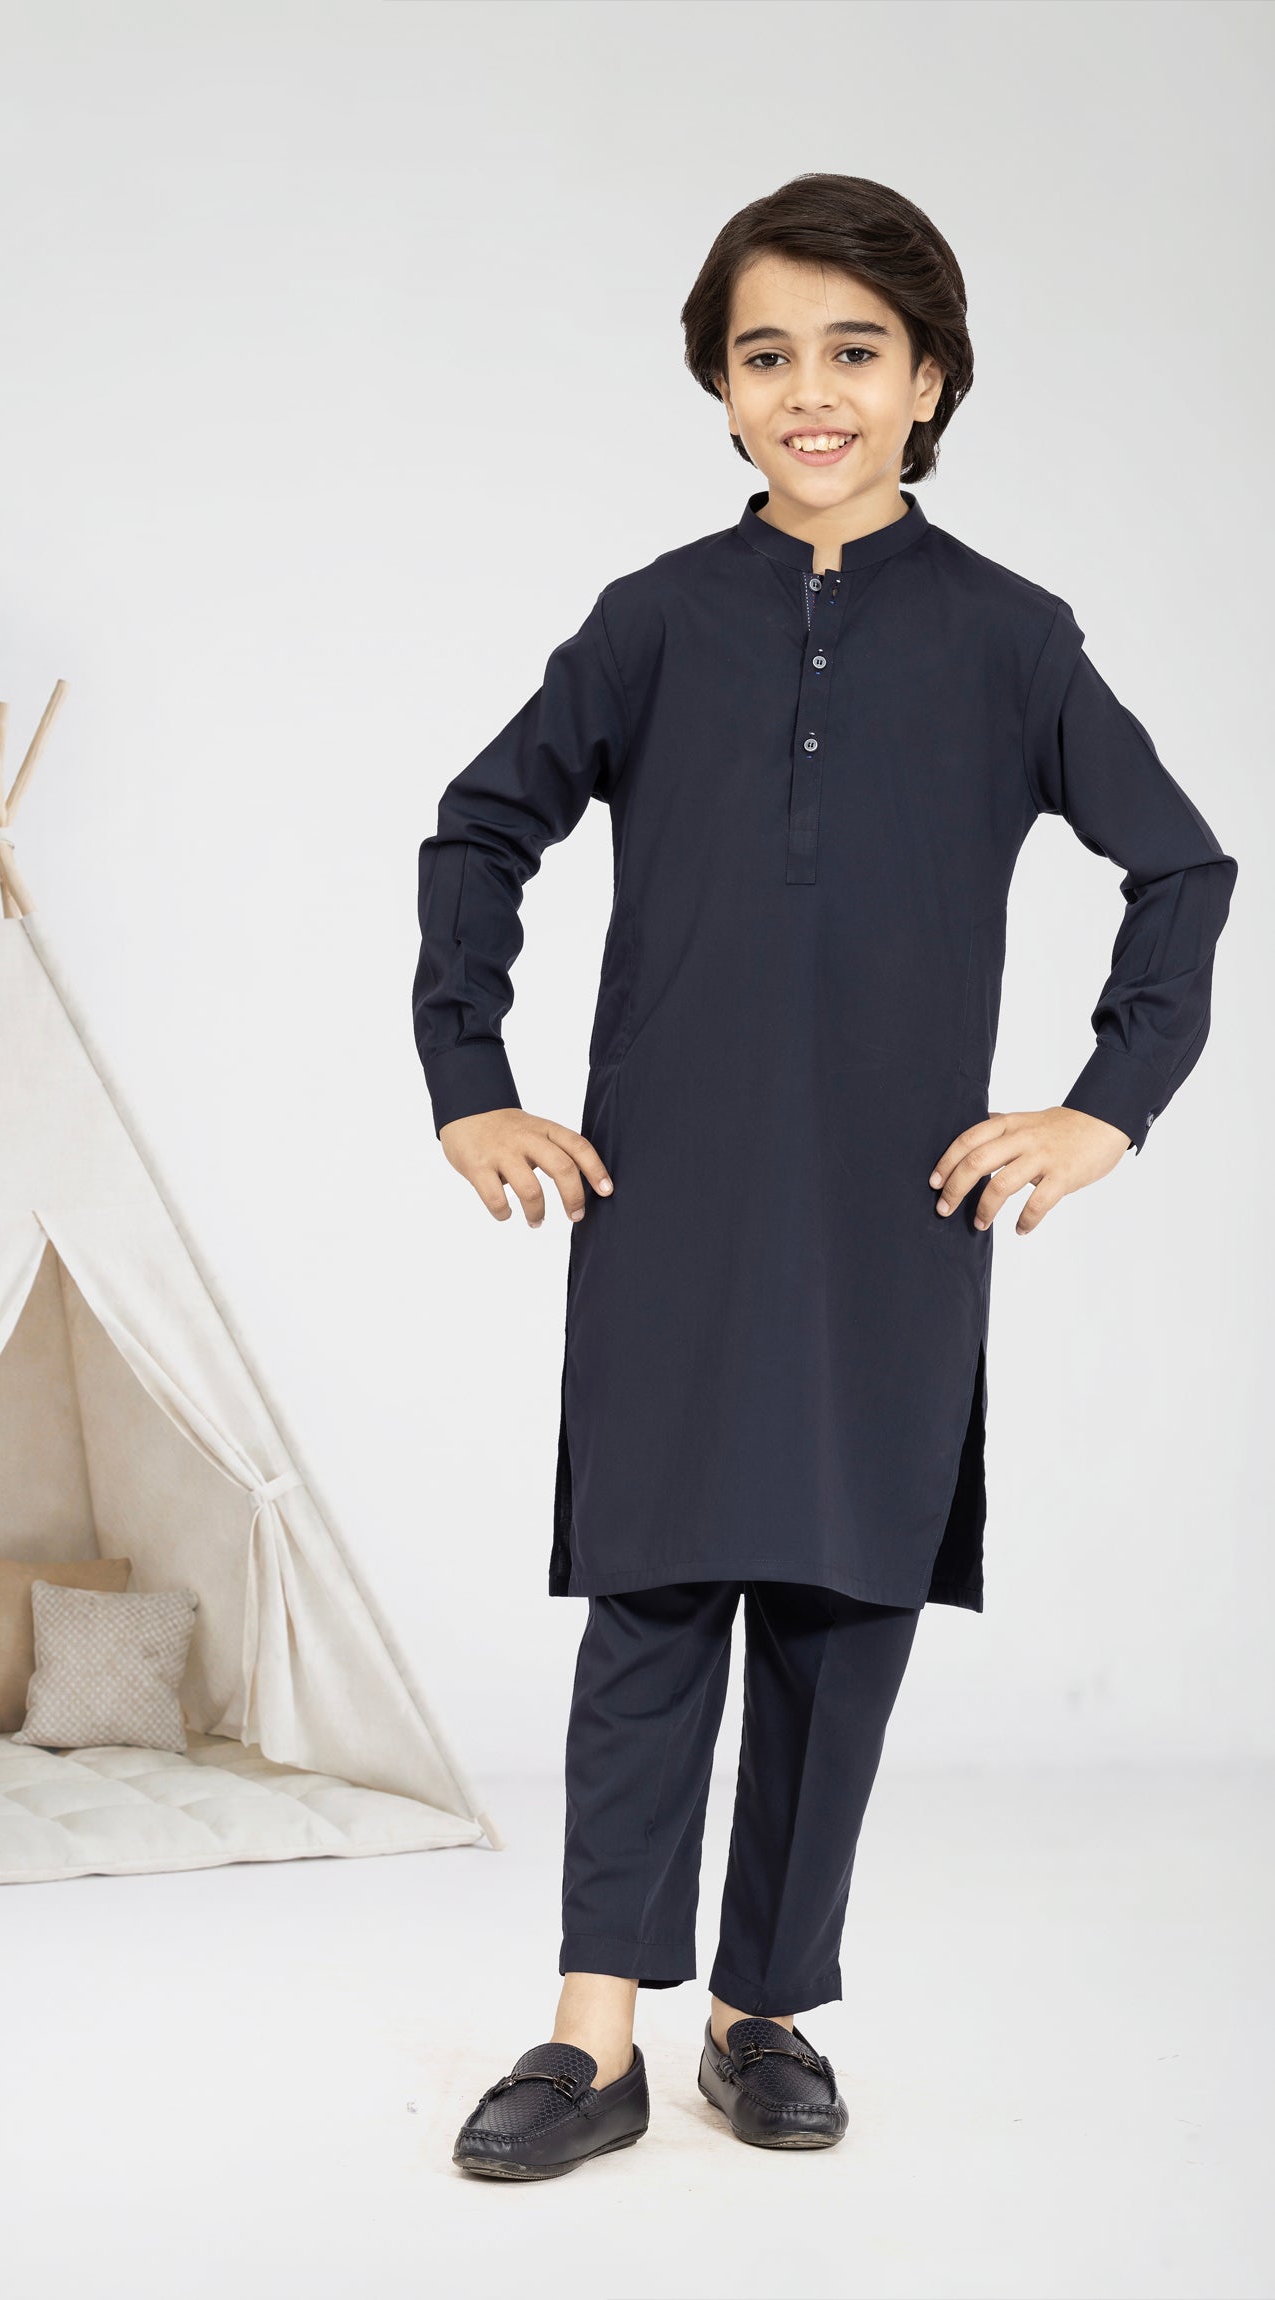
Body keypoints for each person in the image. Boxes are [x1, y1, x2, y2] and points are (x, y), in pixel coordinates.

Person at [411, 173, 1238, 2179]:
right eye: (766, 354)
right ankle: (592, 2040)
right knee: (654, 1597)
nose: (812, 392)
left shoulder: (1011, 639)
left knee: (843, 1609)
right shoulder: (655, 621)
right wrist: (473, 1082)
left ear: (929, 377)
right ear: (719, 384)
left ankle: (762, 2013)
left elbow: (1182, 867)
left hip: (895, 1212)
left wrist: (1106, 1105)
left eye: (855, 352)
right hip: (667, 1200)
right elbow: (482, 827)